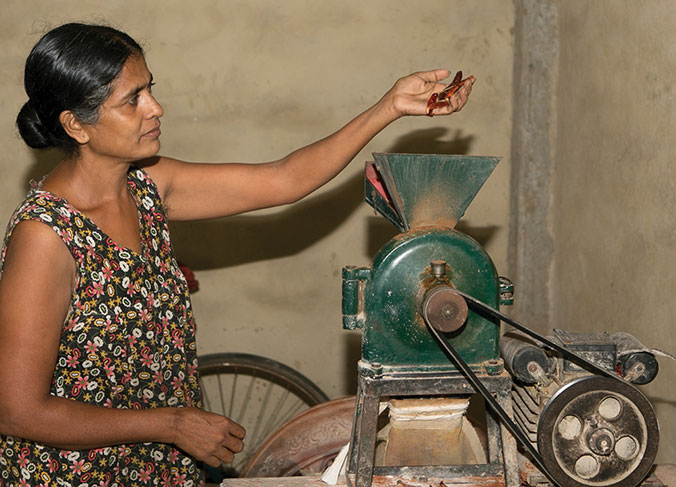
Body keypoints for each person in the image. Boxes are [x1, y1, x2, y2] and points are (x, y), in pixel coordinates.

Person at [0, 22, 474, 486]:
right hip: (76, 473)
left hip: (158, 464)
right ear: (76, 125)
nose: (156, 108)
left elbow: (284, 179)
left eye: (150, 89)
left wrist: (388, 107)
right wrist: (170, 424)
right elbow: (17, 411)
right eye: (132, 100)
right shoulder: (45, 235)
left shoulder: (147, 186)